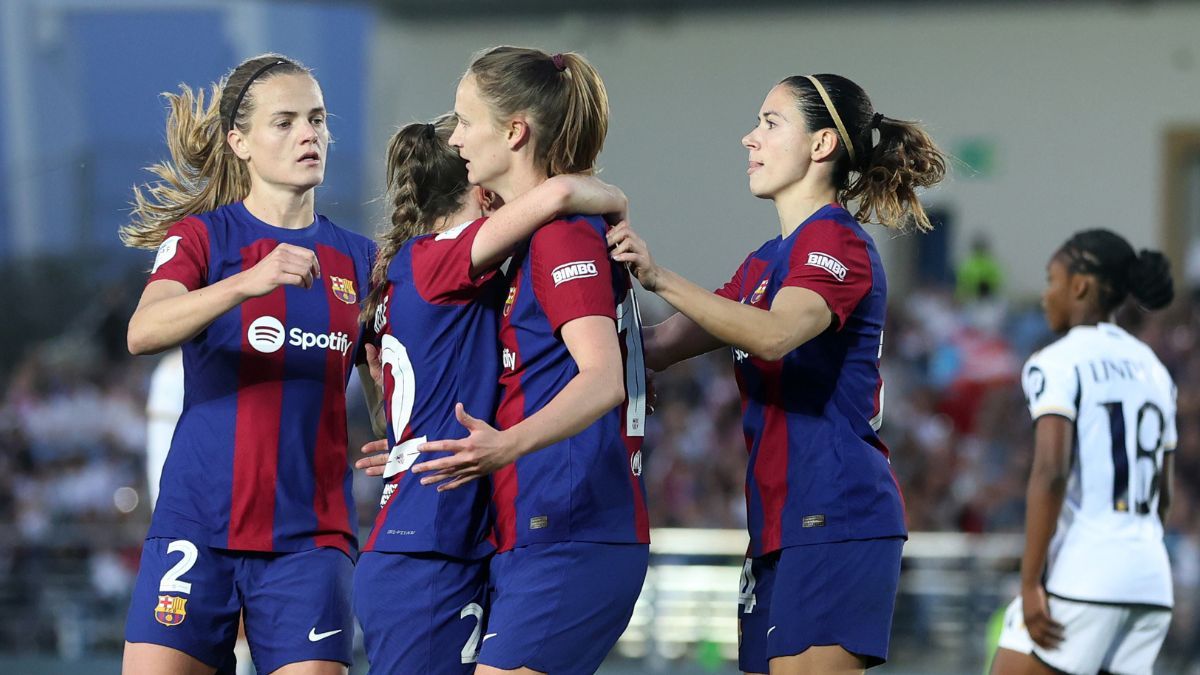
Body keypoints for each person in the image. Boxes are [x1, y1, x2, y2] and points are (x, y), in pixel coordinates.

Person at [606, 73, 947, 674]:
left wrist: (658, 277)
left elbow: (773, 334)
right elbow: (655, 346)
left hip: (835, 513)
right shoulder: (765, 262)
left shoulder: (838, 243)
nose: (749, 138)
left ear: (821, 146)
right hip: (779, 521)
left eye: (770, 123)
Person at [119, 53, 375, 675]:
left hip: (309, 541)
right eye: (284, 122)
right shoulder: (204, 239)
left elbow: (390, 390)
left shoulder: (363, 261)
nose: (308, 134)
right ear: (240, 142)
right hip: (196, 528)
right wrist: (246, 284)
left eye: (316, 119)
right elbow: (143, 330)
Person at [352, 115, 627, 674]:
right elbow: (560, 192)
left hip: (428, 530)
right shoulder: (440, 258)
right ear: (480, 194)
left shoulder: (404, 273)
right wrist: (617, 201)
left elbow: (379, 381)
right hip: (426, 541)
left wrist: (406, 441)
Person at [406, 46, 650, 675]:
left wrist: (504, 445)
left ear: (514, 132)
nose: (454, 139)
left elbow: (602, 379)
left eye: (465, 120)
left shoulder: (561, 234)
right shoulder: (538, 232)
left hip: (570, 528)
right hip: (535, 528)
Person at [992, 229, 1176, 675]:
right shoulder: (1155, 369)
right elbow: (1163, 495)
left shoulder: (1057, 360)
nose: (1044, 294)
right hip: (1151, 581)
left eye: (1051, 280)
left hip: (1086, 574)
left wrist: (1032, 581)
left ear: (1080, 285)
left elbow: (1051, 472)